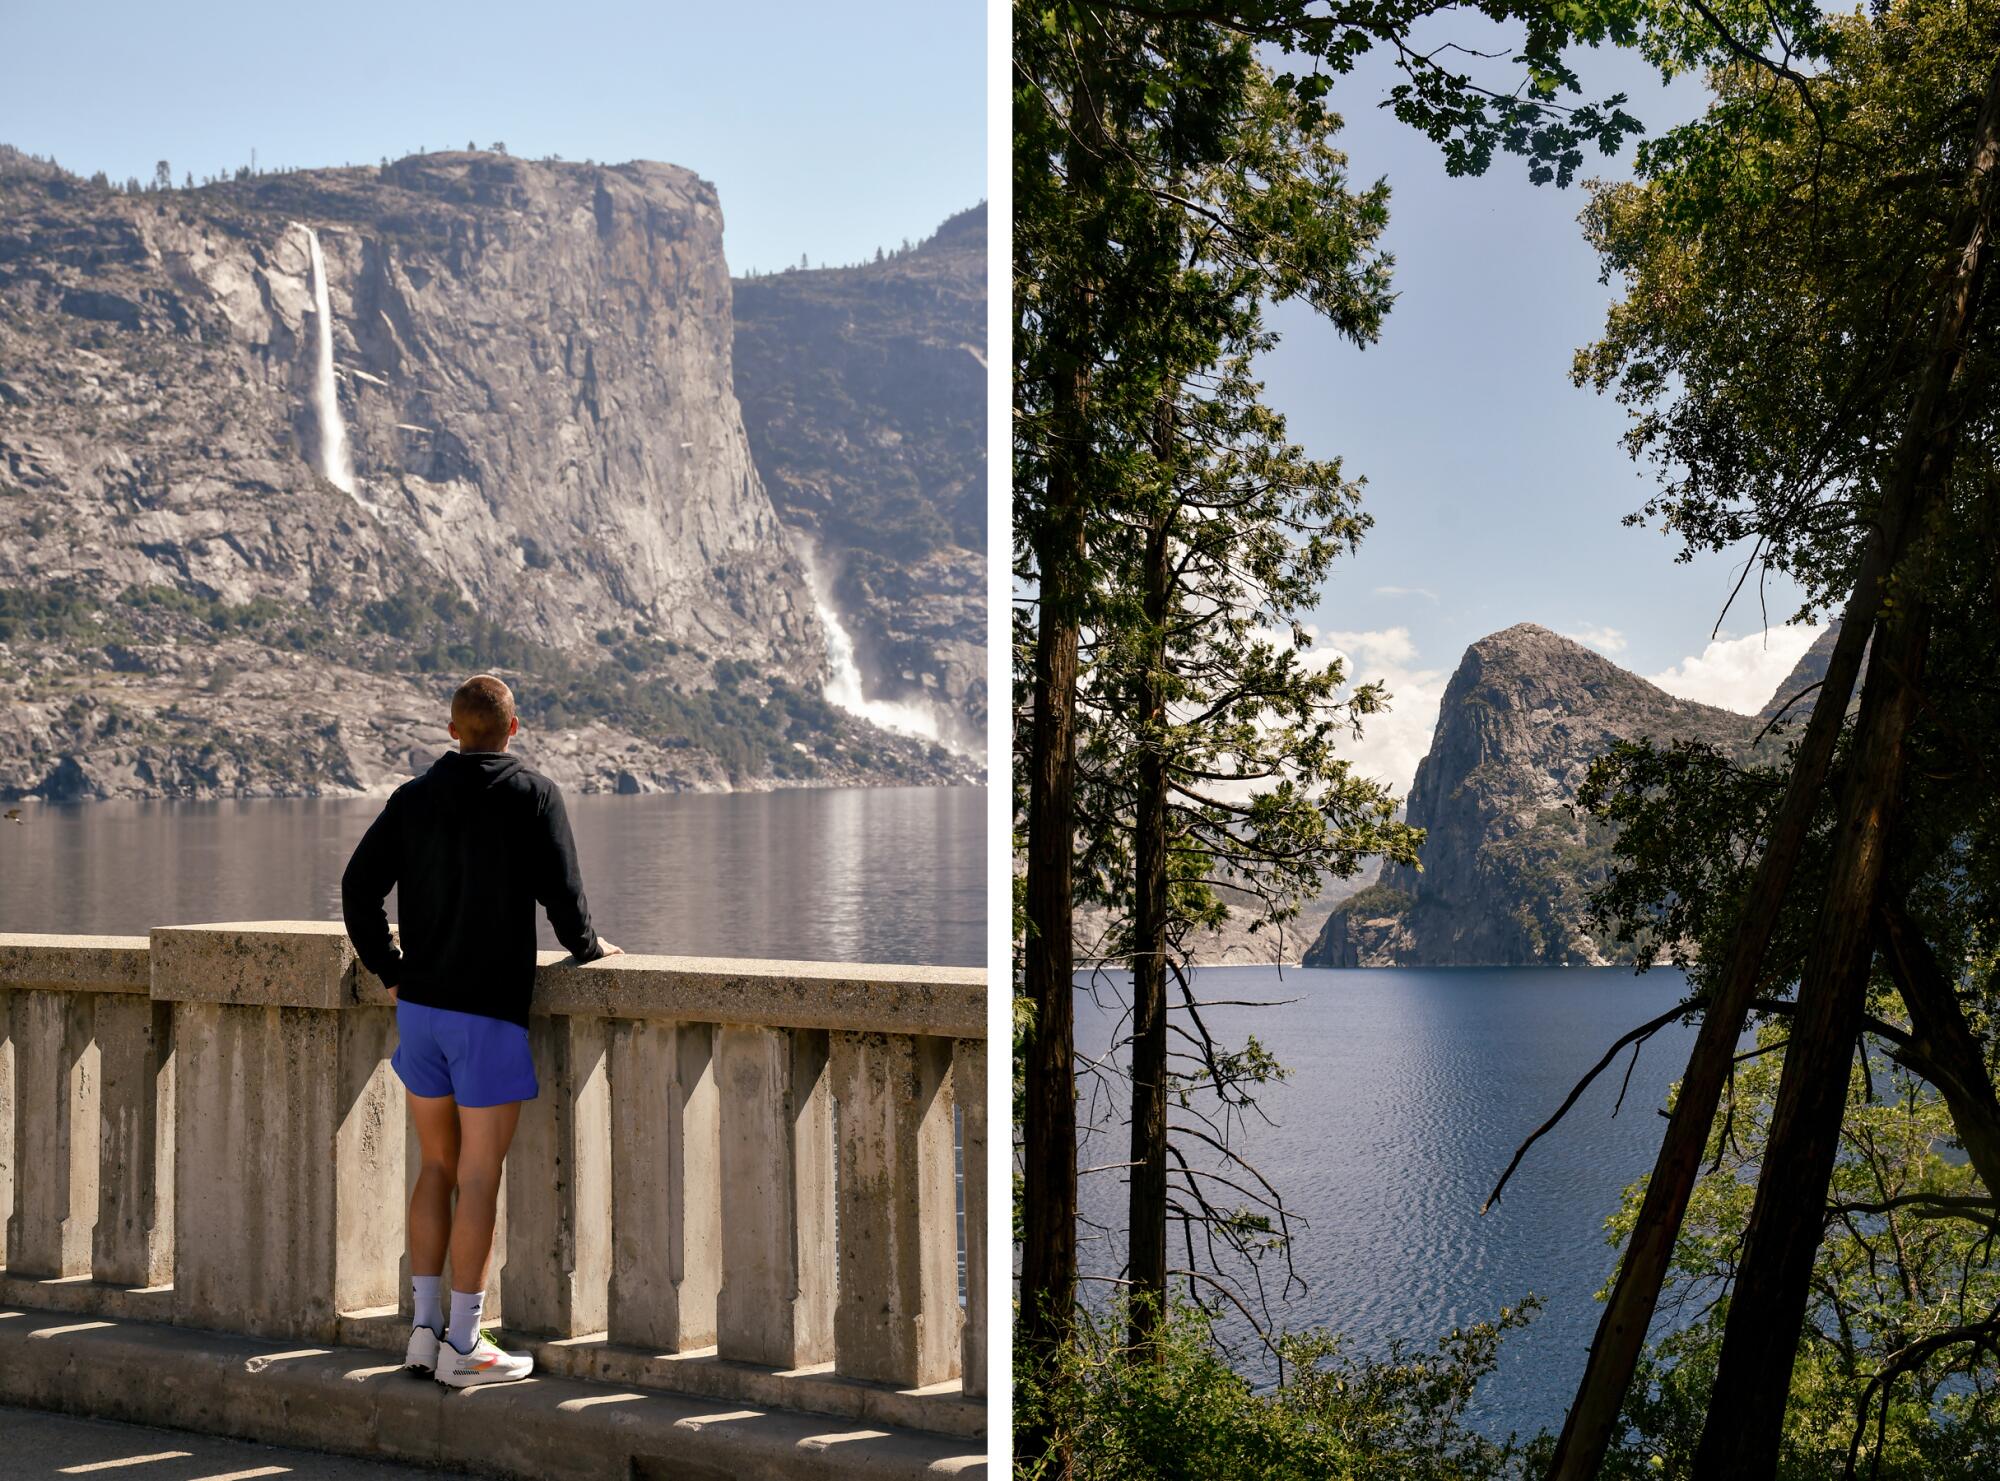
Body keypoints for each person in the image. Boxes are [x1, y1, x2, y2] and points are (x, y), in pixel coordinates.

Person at [341, 673, 620, 1387]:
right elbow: (564, 896)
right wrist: (591, 950)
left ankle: (424, 1331)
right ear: (514, 728)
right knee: (478, 1177)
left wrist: (388, 965)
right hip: (486, 1015)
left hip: (423, 1012)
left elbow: (357, 887)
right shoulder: (533, 795)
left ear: (452, 730)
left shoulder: (413, 797)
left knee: (436, 1168)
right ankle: (466, 1345)